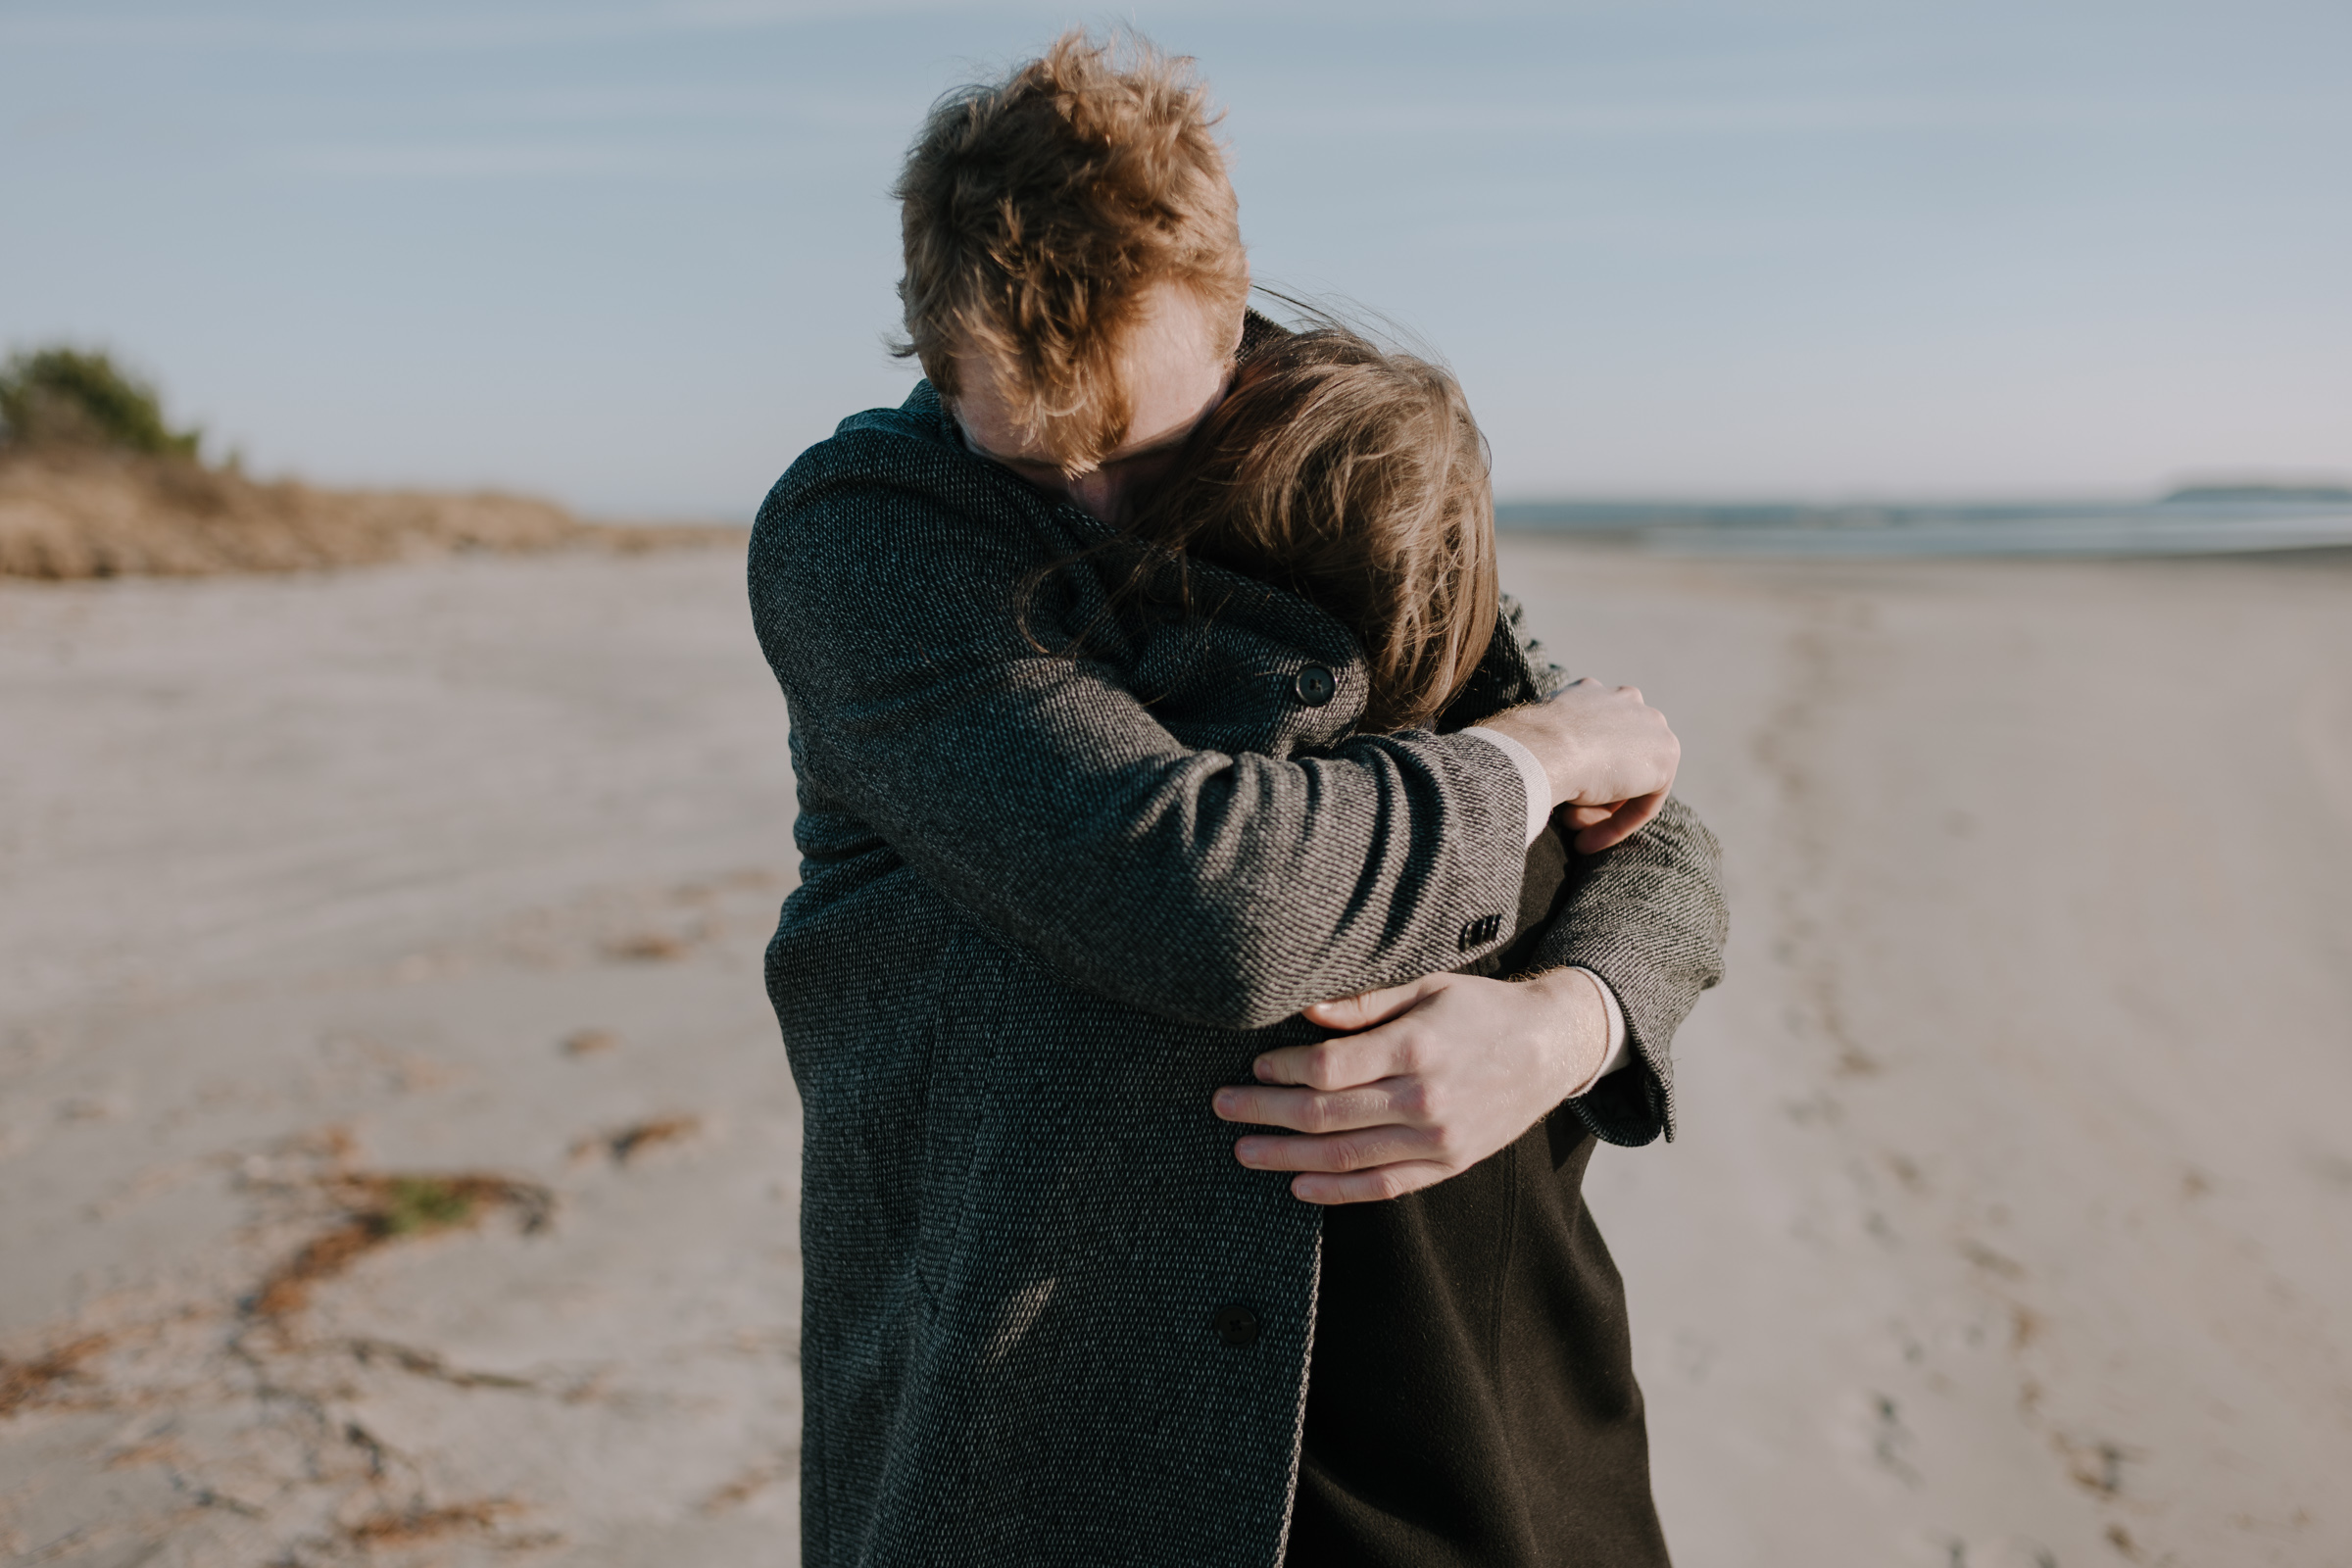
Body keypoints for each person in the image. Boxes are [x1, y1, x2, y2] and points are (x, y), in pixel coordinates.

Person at [746, 32, 1726, 1567]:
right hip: (1041, 1454)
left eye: (1139, 441)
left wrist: (1560, 1030)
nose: (1097, 505)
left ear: (1232, 314)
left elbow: (1661, 855)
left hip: (1469, 1426)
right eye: (1037, 447)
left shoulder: (1363, 474)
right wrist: (1529, 761)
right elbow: (1201, 897)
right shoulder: (865, 537)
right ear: (936, 352)